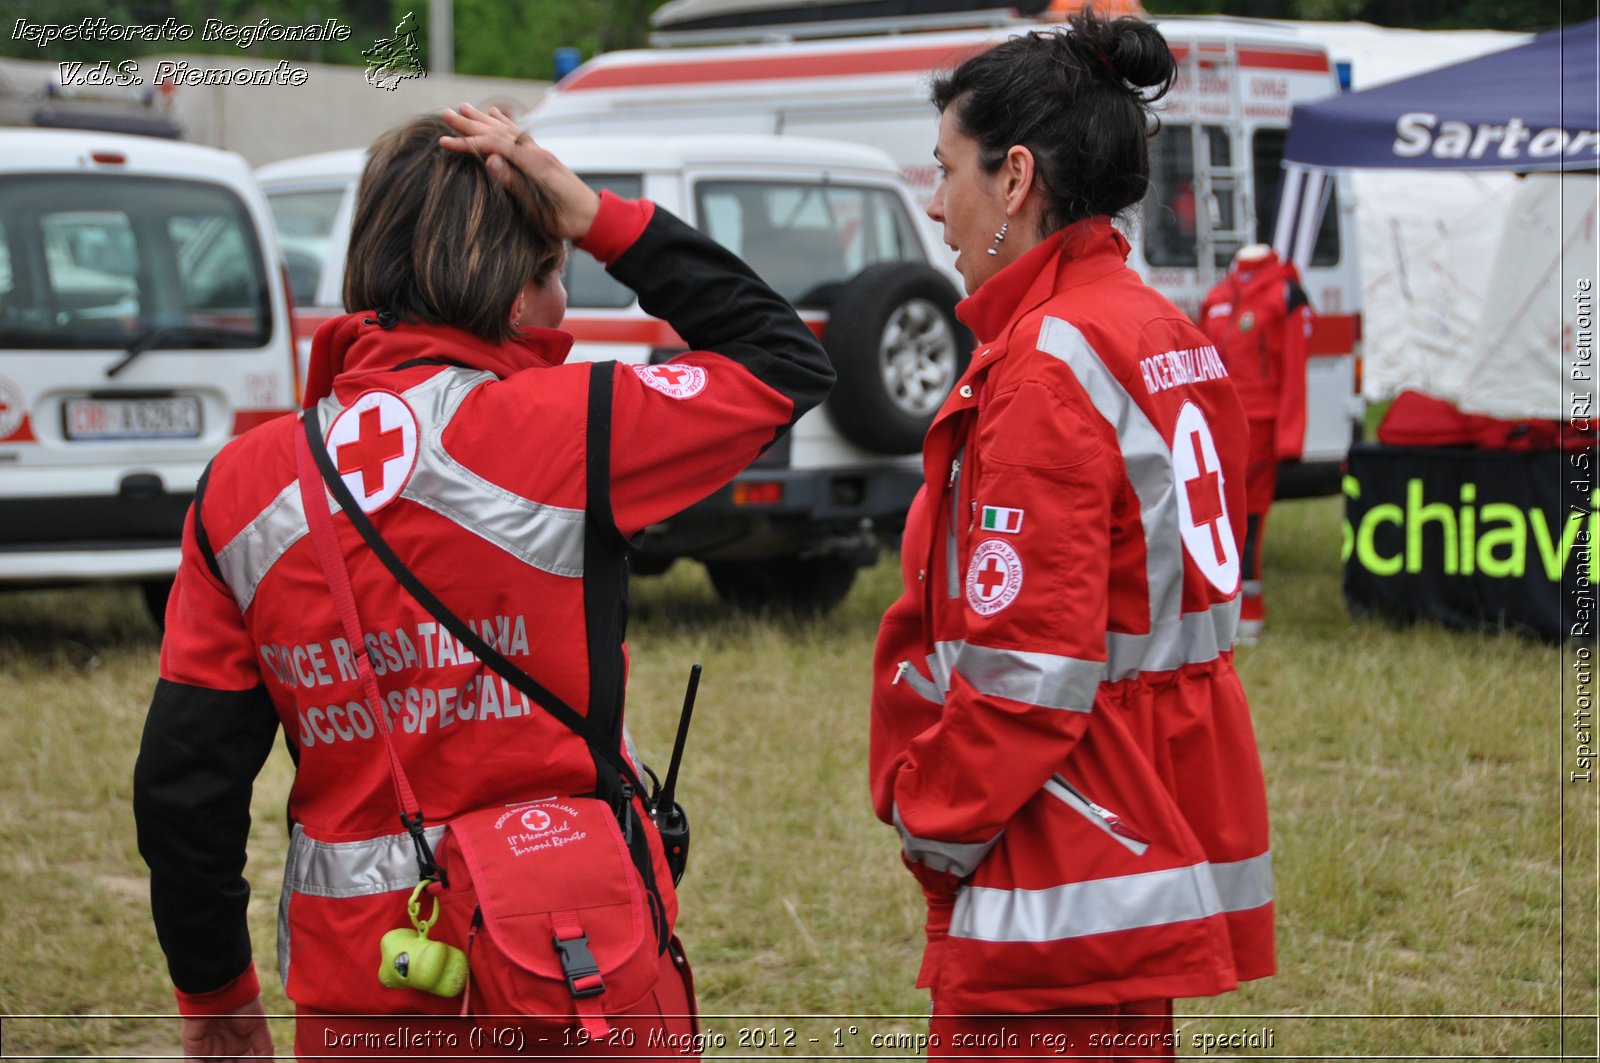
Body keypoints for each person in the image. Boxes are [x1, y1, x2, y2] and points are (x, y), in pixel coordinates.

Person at [133, 103, 833, 1062]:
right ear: (513, 293)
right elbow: (783, 357)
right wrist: (597, 216)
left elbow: (184, 790)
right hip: (570, 971)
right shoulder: (572, 425)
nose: (562, 308)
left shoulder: (244, 487)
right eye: (555, 275)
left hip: (366, 992)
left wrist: (214, 998)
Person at [868, 14, 1274, 1058]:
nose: (932, 201)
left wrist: (930, 818)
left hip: (1063, 832)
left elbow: (1025, 668)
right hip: (1146, 804)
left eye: (944, 168)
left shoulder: (1047, 365)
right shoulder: (1154, 326)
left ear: (1013, 179)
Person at [1198, 243, 1313, 641]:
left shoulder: (1286, 296)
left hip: (1261, 427)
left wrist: (1289, 438)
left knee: (1249, 517)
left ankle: (1249, 610)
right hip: (1216, 426)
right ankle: (1217, 607)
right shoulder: (1217, 297)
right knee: (1214, 516)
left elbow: (1295, 369)